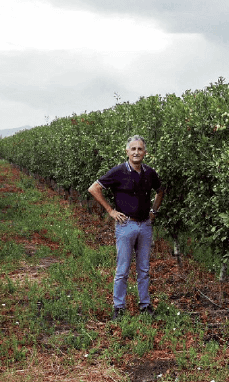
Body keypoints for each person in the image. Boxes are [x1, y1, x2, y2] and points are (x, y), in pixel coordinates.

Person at [88, 135, 164, 319]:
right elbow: (93, 188)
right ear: (127, 152)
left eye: (140, 149)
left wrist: (154, 211)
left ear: (145, 152)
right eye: (133, 149)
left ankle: (145, 306)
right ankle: (119, 308)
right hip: (125, 225)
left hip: (145, 225)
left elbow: (160, 190)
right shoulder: (118, 171)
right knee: (123, 269)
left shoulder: (149, 173)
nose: (136, 152)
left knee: (144, 269)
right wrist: (110, 211)